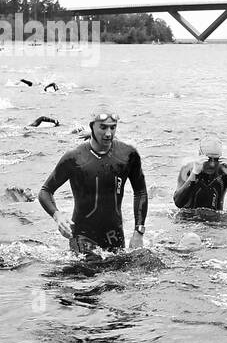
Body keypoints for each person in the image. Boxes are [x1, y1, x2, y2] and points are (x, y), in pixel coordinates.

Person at [38, 104, 148, 255]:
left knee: (120, 276)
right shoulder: (74, 157)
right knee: (90, 274)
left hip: (114, 235)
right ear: (92, 127)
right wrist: (57, 215)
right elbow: (45, 191)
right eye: (103, 127)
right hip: (82, 236)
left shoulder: (128, 155)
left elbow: (140, 191)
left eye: (113, 127)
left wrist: (138, 232)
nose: (109, 133)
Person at [173, 135, 227, 211]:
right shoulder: (187, 169)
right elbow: (178, 203)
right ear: (200, 155)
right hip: (188, 221)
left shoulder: (224, 171)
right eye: (208, 159)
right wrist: (194, 174)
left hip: (215, 221)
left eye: (216, 159)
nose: (212, 164)